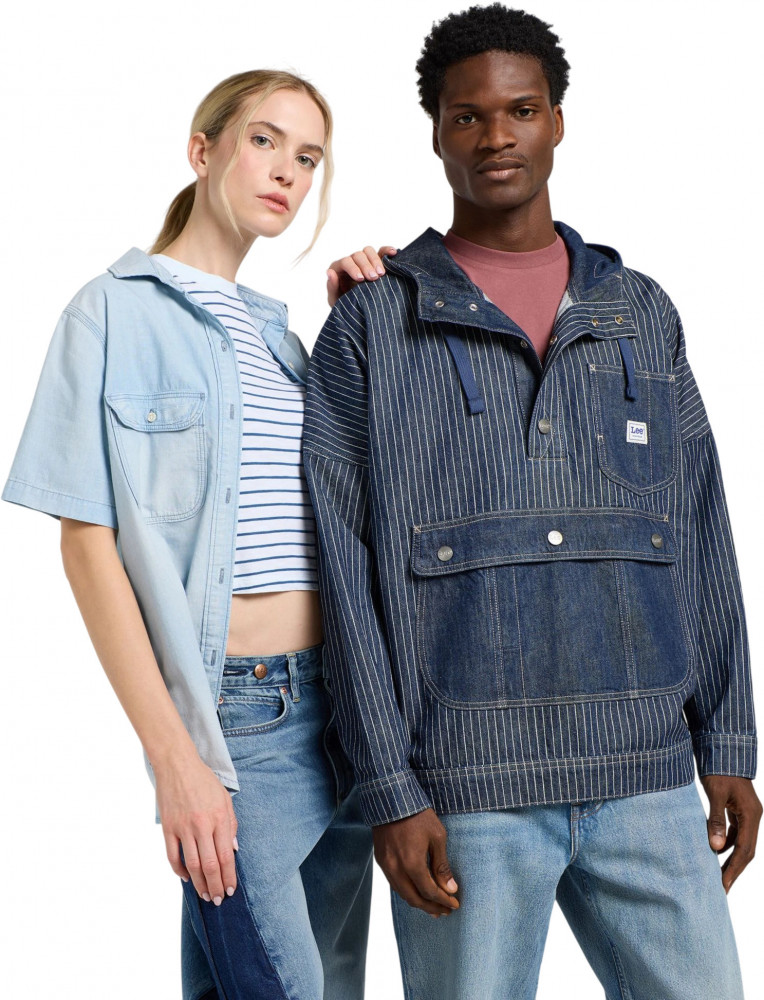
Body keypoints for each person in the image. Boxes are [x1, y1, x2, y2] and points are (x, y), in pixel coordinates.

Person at [304, 6, 761, 999]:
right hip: (465, 791)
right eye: (466, 116)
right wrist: (387, 787)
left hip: (648, 774)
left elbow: (699, 529)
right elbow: (341, 574)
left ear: (557, 121)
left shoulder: (639, 310)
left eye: (519, 110)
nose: (496, 136)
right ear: (434, 133)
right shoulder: (372, 325)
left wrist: (728, 738)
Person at [2, 68, 389, 1000]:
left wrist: (362, 328)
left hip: (343, 712)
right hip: (238, 722)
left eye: (309, 157)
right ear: (202, 149)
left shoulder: (285, 339)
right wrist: (179, 759)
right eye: (264, 140)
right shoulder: (110, 311)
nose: (288, 172)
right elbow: (86, 548)